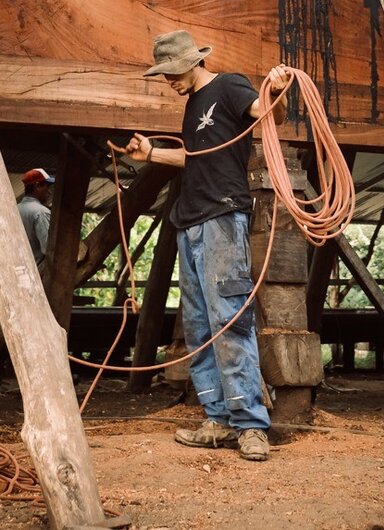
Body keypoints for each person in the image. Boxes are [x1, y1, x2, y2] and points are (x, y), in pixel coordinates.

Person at [124, 29, 289, 463]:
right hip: (190, 220)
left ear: (190, 62)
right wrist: (151, 154)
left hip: (223, 217)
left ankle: (251, 425)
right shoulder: (193, 105)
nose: (168, 81)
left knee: (229, 320)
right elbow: (194, 157)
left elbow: (267, 112)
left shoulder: (229, 85)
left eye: (170, 73)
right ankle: (217, 419)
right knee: (199, 326)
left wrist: (279, 89)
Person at [18, 167, 55, 263]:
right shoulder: (41, 212)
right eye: (47, 187)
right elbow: (49, 249)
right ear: (38, 186)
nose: (49, 192)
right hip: (37, 274)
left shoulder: (14, 210)